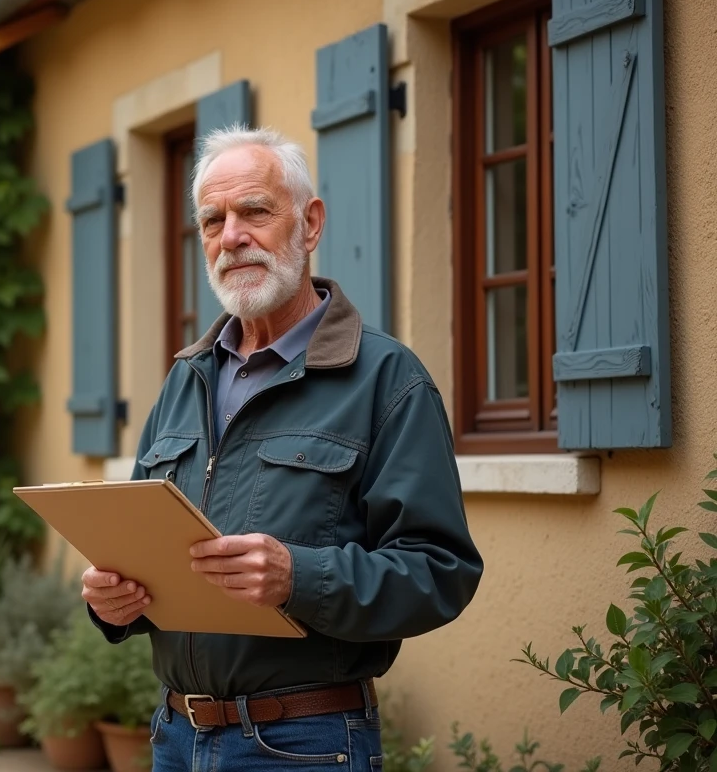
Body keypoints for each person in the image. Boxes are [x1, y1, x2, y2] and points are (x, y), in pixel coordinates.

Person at [80, 126, 484, 771]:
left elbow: (441, 572)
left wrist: (300, 577)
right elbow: (138, 547)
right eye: (212, 220)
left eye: (255, 212)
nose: (232, 236)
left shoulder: (387, 379)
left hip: (304, 745)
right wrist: (112, 600)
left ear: (310, 222)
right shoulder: (187, 378)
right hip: (175, 738)